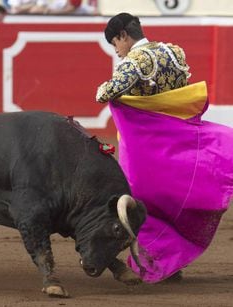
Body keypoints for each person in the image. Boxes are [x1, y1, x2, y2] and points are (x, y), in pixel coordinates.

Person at [96, 13, 233, 283]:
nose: (118, 51)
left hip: (144, 150)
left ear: (123, 35)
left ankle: (154, 261)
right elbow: (177, 96)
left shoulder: (134, 62)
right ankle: (170, 262)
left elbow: (104, 94)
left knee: (142, 202)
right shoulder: (174, 52)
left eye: (115, 44)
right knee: (173, 200)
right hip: (175, 144)